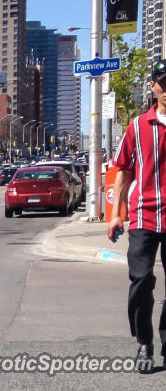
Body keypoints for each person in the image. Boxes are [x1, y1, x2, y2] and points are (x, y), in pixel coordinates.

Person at [108, 59, 166, 374]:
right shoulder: (138, 126)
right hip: (144, 215)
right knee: (142, 281)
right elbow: (124, 171)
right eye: (163, 83)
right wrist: (115, 214)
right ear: (154, 86)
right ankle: (144, 341)